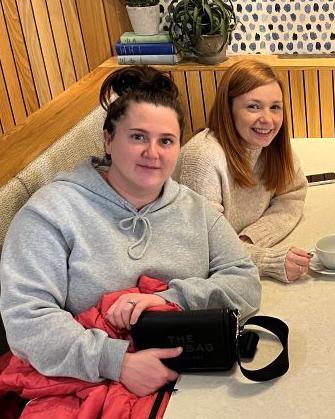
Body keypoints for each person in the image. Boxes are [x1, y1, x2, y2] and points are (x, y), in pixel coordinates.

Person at [0, 66, 261, 397]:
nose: (152, 153)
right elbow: (26, 319)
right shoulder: (52, 211)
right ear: (108, 139)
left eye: (166, 141)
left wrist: (166, 300)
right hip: (91, 381)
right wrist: (118, 362)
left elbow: (245, 283)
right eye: (137, 137)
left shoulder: (196, 210)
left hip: (192, 379)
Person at [176, 60, 310, 284]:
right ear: (228, 109)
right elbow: (203, 246)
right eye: (253, 106)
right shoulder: (203, 157)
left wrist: (251, 237)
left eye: (275, 107)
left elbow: (292, 195)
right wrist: (266, 261)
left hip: (234, 255)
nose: (267, 119)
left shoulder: (270, 145)